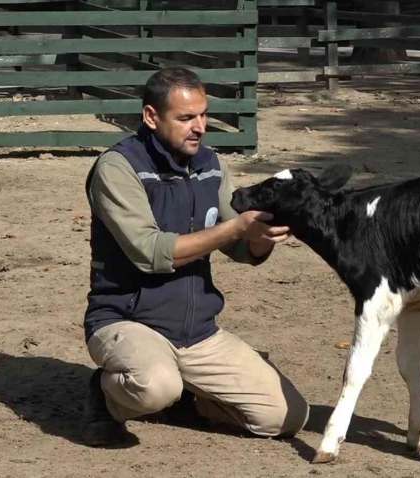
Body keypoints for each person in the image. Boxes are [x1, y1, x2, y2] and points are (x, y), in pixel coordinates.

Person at [81, 67, 310, 447]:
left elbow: (242, 249)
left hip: (198, 331)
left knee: (286, 417)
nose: (199, 126)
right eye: (186, 118)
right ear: (151, 117)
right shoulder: (119, 168)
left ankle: (190, 400)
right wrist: (237, 229)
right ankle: (107, 397)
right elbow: (150, 252)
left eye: (203, 115)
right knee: (155, 386)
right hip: (127, 319)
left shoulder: (211, 165)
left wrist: (269, 229)